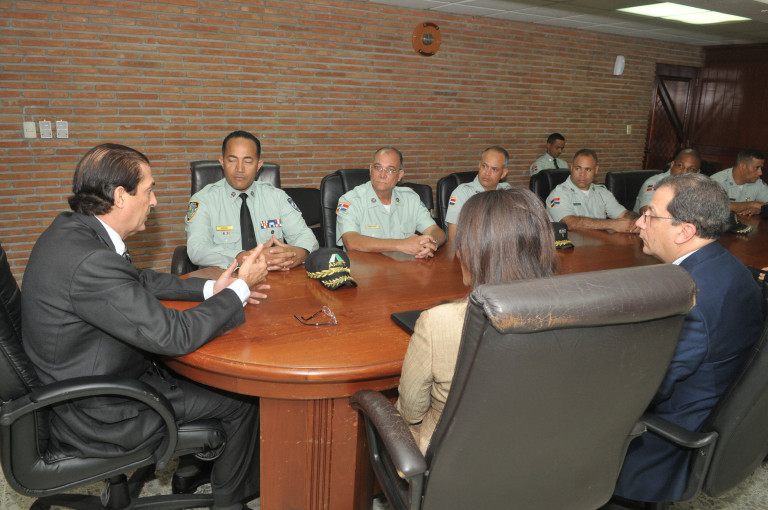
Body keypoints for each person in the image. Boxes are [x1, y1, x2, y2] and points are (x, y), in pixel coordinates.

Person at [22, 143, 269, 510]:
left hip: (80, 379)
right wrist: (240, 289)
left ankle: (197, 466)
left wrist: (210, 289)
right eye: (149, 190)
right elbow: (175, 335)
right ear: (120, 196)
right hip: (99, 412)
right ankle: (231, 503)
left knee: (196, 375)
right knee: (242, 398)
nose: (154, 201)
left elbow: (136, 280)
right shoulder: (90, 261)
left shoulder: (73, 231)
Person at [614, 173, 765, 503]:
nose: (639, 222)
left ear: (684, 231)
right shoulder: (733, 269)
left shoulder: (690, 302)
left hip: (664, 443)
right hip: (712, 404)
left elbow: (648, 389)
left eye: (650, 215)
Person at [395, 188, 558, 454]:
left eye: (463, 244)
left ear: (474, 252)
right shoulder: (575, 311)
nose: (459, 253)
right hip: (543, 453)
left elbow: (410, 413)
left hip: (456, 464)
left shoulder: (438, 323)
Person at [186, 130, 319, 271]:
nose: (240, 169)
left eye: (248, 161)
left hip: (273, 276)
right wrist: (244, 258)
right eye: (232, 160)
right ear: (222, 162)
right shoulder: (203, 200)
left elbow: (304, 236)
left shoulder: (277, 197)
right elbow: (197, 249)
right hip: (223, 277)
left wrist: (297, 254)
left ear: (258, 165)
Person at [336, 146, 446, 257]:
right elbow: (351, 241)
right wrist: (401, 244)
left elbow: (436, 231)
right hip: (365, 267)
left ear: (399, 175)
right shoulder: (351, 200)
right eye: (378, 167)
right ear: (371, 169)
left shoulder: (410, 199)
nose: (382, 175)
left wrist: (431, 244)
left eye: (390, 170)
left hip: (405, 266)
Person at [546, 148, 638, 232]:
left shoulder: (602, 193)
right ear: (571, 168)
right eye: (578, 168)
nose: (582, 174)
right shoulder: (558, 194)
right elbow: (569, 223)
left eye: (588, 169)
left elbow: (624, 214)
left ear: (596, 170)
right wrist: (612, 224)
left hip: (600, 243)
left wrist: (635, 221)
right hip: (570, 244)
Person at [444, 146, 512, 242]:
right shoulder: (462, 193)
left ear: (504, 173)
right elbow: (453, 239)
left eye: (494, 169)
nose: (487, 173)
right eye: (484, 166)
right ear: (479, 165)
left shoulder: (508, 192)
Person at [633, 148, 701, 214]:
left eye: (691, 169)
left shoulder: (698, 188)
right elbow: (648, 214)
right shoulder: (654, 183)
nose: (684, 172)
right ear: (672, 165)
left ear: (697, 173)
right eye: (680, 165)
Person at [710, 149, 768, 216]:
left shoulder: (757, 182)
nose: (760, 173)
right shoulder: (717, 181)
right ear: (742, 166)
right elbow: (716, 207)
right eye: (756, 168)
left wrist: (761, 210)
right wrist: (753, 204)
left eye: (761, 168)